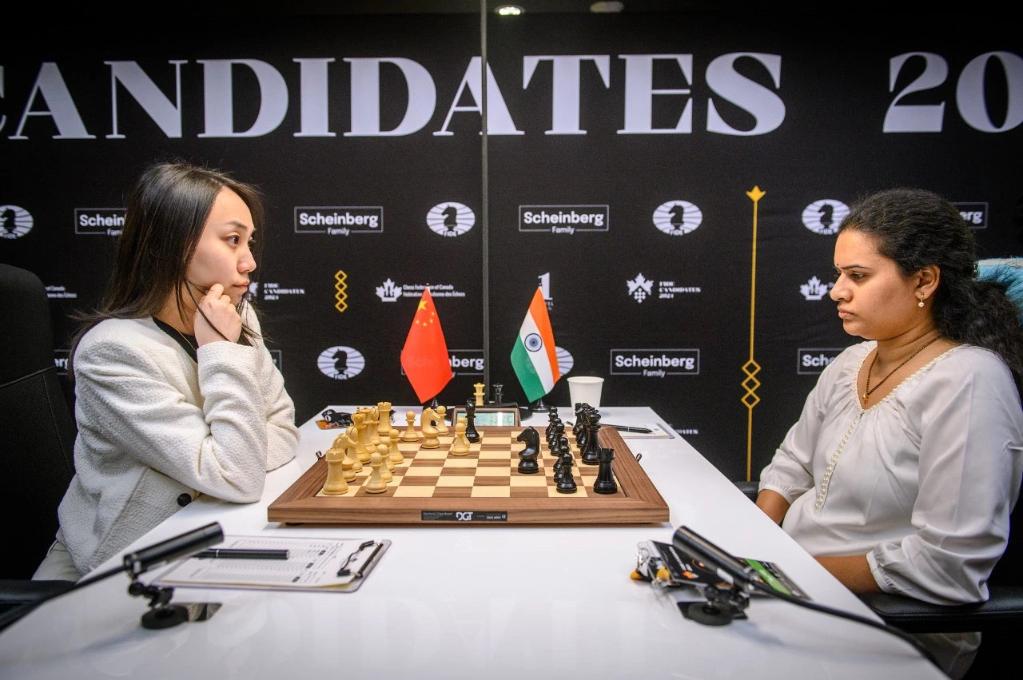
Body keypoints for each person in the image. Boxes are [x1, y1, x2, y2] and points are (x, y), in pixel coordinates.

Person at [33, 162, 298, 580]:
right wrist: (220, 351)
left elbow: (282, 428)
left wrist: (225, 460)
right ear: (175, 244)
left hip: (208, 539)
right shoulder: (112, 352)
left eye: (249, 242)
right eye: (232, 240)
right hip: (116, 570)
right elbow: (238, 475)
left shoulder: (237, 316)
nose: (249, 262)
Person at [757, 188, 1023, 604]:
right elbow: (794, 464)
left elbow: (947, 564)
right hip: (785, 582)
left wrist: (783, 571)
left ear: (924, 281)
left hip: (877, 612)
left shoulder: (969, 381)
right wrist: (751, 547)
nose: (837, 291)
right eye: (838, 274)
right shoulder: (851, 362)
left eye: (858, 276)